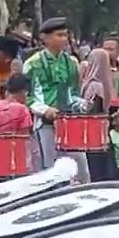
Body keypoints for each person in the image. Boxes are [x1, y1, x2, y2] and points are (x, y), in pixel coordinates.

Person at [25, 17, 88, 176]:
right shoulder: (33, 64)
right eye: (59, 35)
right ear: (45, 38)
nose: (64, 39)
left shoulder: (71, 63)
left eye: (65, 35)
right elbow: (27, 97)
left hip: (69, 122)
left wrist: (82, 104)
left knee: (80, 167)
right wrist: (45, 110)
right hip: (45, 124)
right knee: (50, 169)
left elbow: (73, 94)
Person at [80, 47, 118, 181]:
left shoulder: (86, 83)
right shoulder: (97, 86)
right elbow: (96, 111)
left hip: (88, 135)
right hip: (98, 135)